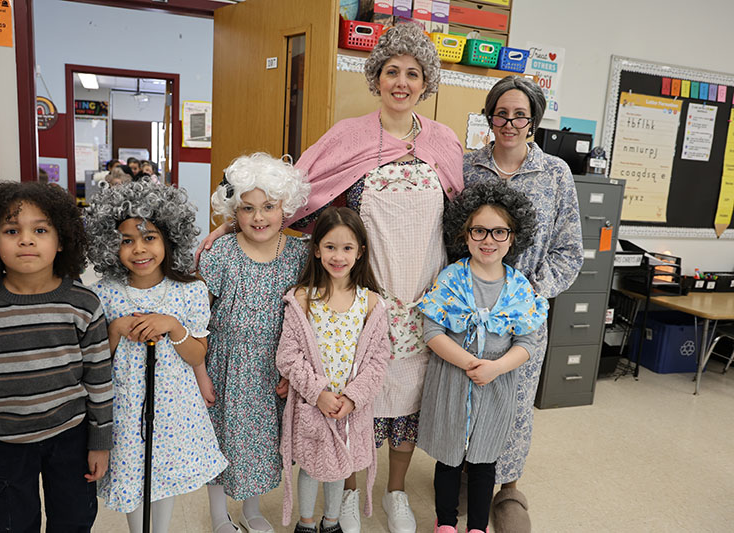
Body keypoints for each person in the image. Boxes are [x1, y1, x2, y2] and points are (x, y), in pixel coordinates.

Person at [198, 23, 464, 533]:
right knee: (353, 390)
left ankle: (395, 493)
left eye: (413, 73)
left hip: (423, 292)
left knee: (406, 400)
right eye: (391, 71)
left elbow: (459, 219)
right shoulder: (349, 136)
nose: (401, 82)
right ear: (376, 78)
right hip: (359, 293)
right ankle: (346, 493)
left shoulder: (445, 141)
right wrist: (232, 223)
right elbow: (296, 195)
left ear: (426, 82)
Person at [0, 181, 113, 531]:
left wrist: (101, 443)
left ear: (61, 241)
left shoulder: (83, 303)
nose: (26, 239)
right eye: (12, 230)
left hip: (70, 436)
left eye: (41, 229)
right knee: (10, 525)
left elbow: (99, 379)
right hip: (4, 443)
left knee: (74, 520)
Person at [462, 75, 583, 532]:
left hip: (523, 312)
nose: (509, 123)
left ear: (534, 120)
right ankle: (468, 474)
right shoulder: (466, 167)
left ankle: (508, 486)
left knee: (513, 401)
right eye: (501, 113)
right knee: (469, 389)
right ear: (489, 116)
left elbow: (569, 249)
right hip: (468, 308)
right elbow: (450, 233)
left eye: (520, 115)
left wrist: (530, 291)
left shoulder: (555, 173)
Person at [84, 181, 227, 533]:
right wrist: (115, 330)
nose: (138, 249)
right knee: (133, 472)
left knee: (164, 473)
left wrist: (174, 327)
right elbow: (95, 358)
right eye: (126, 240)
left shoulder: (190, 291)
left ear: (169, 239)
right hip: (126, 405)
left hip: (174, 407)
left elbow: (197, 354)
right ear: (109, 245)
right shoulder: (104, 293)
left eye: (149, 238)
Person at [416, 181, 549, 533]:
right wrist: (468, 364)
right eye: (479, 230)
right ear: (465, 232)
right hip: (452, 381)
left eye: (499, 231)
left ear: (513, 236)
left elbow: (527, 341)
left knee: (484, 460)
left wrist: (495, 368)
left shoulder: (519, 286)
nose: (488, 240)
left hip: (496, 385)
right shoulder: (450, 279)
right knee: (448, 457)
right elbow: (431, 332)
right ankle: (445, 522)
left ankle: (477, 525)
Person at [196, 152, 311, 533]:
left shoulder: (299, 254)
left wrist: (293, 371)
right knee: (220, 441)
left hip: (272, 367)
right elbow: (198, 319)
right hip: (225, 365)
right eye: (247, 208)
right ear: (234, 212)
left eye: (268, 207)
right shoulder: (222, 253)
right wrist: (200, 372)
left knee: (261, 444)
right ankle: (218, 517)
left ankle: (252, 509)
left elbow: (305, 320)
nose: (259, 217)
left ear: (285, 207)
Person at [276, 207, 391, 533]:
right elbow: (288, 356)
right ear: (316, 249)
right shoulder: (302, 300)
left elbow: (378, 361)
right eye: (330, 247)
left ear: (360, 252)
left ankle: (332, 522)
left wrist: (353, 398)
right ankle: (306, 523)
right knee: (312, 467)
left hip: (350, 409)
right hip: (313, 406)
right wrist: (318, 393)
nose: (338, 256)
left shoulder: (370, 303)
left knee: (341, 466)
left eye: (347, 248)